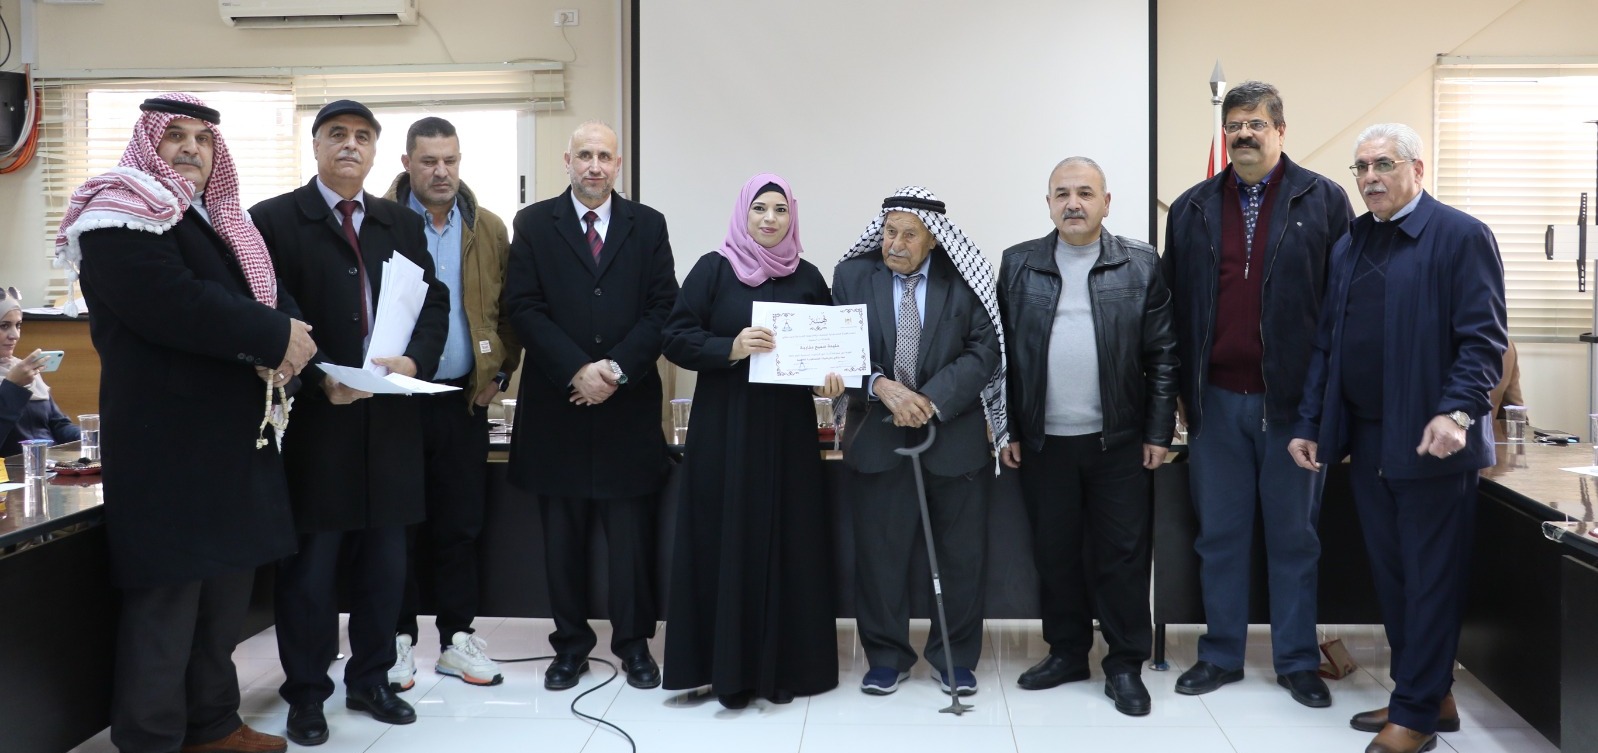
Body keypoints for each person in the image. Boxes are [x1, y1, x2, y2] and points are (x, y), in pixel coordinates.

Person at [60, 93, 316, 753]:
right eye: (175, 135)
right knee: (167, 603)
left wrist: (291, 336)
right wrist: (274, 335)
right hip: (167, 444)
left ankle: (212, 724)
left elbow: (266, 295)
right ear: (148, 142)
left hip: (231, 443)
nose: (191, 149)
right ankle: (150, 737)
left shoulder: (217, 219)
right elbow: (174, 304)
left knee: (222, 599)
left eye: (203, 139)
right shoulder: (118, 211)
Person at [1289, 123, 1507, 753]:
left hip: (1432, 442)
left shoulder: (1461, 236)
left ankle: (1414, 715)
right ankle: (1428, 693)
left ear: (1417, 168)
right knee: (1393, 578)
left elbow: (1484, 341)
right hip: (1368, 441)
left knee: (1430, 578)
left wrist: (1457, 414)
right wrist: (1310, 422)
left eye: (1382, 165)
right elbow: (1328, 344)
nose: (1369, 178)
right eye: (1360, 168)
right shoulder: (1353, 241)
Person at [250, 99, 449, 746]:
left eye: (363, 137)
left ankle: (371, 680)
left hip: (388, 420)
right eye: (337, 134)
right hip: (316, 423)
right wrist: (317, 377)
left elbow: (433, 302)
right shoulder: (274, 219)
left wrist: (414, 359)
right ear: (315, 145)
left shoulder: (399, 221)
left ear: (375, 152)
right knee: (310, 571)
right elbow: (270, 308)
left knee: (385, 567)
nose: (350, 146)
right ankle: (307, 694)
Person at [1161, 81, 1354, 707]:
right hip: (1215, 402)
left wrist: (1327, 406)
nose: (1243, 134)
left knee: (1294, 538)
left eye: (1256, 124)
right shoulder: (1191, 208)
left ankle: (1296, 661)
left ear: (1280, 130)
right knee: (1218, 536)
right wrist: (1180, 397)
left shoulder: (1322, 199)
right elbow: (1172, 310)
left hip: (1293, 408)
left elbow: (1342, 307)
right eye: (1234, 125)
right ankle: (1220, 655)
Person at [997, 157, 1177, 716]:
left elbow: (1163, 353)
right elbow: (1002, 356)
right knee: (1056, 555)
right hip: (1044, 441)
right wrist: (1008, 426)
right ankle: (1068, 653)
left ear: (1106, 201)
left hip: (1118, 441)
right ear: (1048, 202)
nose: (1073, 203)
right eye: (1062, 194)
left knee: (1122, 557)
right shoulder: (1019, 263)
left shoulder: (1139, 263)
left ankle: (1124, 664)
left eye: (1084, 193)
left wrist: (1158, 430)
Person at [503, 121, 677, 691]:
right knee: (563, 543)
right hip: (559, 410)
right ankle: (570, 648)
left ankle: (634, 647)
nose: (594, 165)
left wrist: (615, 370)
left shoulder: (648, 225)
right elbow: (523, 307)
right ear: (567, 161)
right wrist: (576, 369)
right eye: (584, 155)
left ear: (618, 164)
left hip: (627, 411)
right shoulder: (533, 224)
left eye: (604, 155)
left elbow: (663, 309)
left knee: (631, 543)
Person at [660, 173, 842, 709]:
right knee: (723, 537)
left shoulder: (808, 277)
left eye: (780, 209)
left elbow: (828, 351)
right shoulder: (714, 269)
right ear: (744, 213)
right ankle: (721, 668)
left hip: (789, 435)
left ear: (792, 217)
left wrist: (829, 379)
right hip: (725, 431)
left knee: (790, 539)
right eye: (760, 208)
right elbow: (675, 338)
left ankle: (786, 668)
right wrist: (731, 347)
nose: (769, 218)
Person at [831, 186, 1004, 697]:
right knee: (880, 555)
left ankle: (955, 659)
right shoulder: (852, 276)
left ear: (933, 240)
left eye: (910, 235)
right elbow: (838, 348)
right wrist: (880, 386)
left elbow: (984, 350)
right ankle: (886, 658)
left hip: (954, 436)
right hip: (876, 435)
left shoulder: (965, 279)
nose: (896, 244)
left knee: (961, 556)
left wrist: (927, 399)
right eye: (889, 232)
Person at [383, 116, 522, 691]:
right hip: (394, 403)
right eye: (429, 161)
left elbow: (509, 311)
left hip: (463, 400)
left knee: (459, 527)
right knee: (396, 527)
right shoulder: (381, 222)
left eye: (451, 160)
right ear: (407, 164)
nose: (442, 172)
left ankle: (456, 640)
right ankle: (395, 641)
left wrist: (501, 373)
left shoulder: (487, 228)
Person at [0, 288, 81, 455]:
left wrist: (89, 435)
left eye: (18, 325)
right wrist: (12, 387)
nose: (15, 335)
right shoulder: (20, 374)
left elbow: (58, 424)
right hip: (13, 469)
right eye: (4, 326)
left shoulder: (21, 368)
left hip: (51, 464)